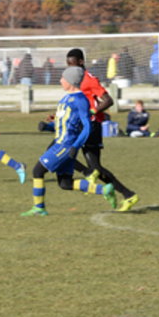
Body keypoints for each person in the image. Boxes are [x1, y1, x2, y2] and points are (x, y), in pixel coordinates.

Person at [21, 66, 115, 217]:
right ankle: (104, 190)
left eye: (63, 78)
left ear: (70, 81)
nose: (60, 81)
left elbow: (87, 127)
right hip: (61, 142)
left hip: (65, 145)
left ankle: (39, 208)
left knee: (37, 171)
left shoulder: (80, 100)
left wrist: (75, 146)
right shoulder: (65, 99)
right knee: (65, 183)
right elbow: (64, 123)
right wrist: (48, 126)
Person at [65, 48, 138, 212]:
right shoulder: (74, 80)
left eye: (73, 65)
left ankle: (90, 176)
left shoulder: (89, 79)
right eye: (68, 65)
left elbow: (108, 100)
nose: (70, 68)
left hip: (91, 126)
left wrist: (92, 112)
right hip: (80, 125)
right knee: (95, 167)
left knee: (65, 154)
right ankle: (128, 194)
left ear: (81, 62)